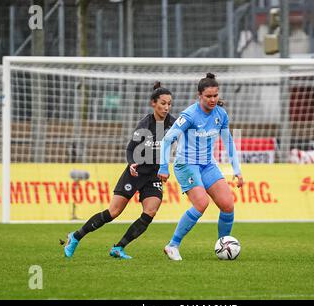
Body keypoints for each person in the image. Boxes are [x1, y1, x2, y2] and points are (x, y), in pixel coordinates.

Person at [60, 82, 176, 259]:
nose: (166, 107)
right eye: (163, 103)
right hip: (136, 173)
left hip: (153, 175)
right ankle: (75, 237)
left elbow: (188, 130)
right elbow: (130, 149)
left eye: (169, 103)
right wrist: (131, 164)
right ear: (153, 103)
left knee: (150, 211)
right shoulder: (144, 125)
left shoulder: (173, 124)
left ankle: (118, 247)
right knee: (113, 212)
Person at [158, 73, 244, 261]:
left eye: (215, 96)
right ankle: (172, 245)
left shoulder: (221, 114)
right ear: (199, 96)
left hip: (207, 164)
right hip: (186, 164)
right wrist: (163, 167)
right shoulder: (189, 115)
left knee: (228, 205)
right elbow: (166, 140)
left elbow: (229, 143)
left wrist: (237, 171)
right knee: (201, 203)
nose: (213, 100)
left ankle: (224, 245)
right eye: (209, 96)